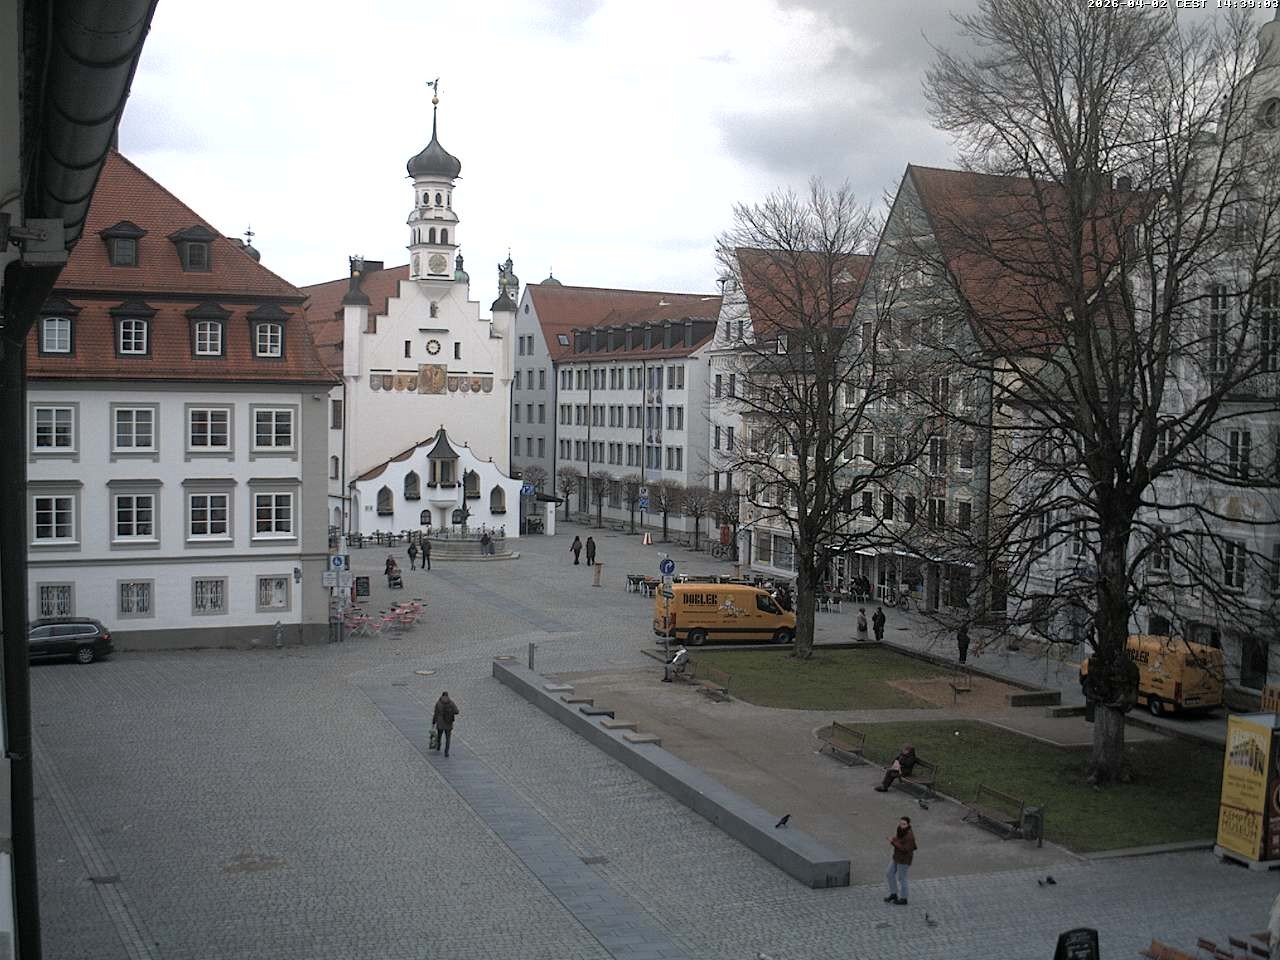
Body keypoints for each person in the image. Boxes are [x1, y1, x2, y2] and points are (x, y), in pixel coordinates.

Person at [884, 816, 917, 906]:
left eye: (904, 824)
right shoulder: (900, 829)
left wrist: (893, 842)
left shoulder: (910, 836)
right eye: (901, 823)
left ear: (908, 824)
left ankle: (904, 898)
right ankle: (894, 894)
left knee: (902, 878)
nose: (902, 825)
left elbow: (905, 849)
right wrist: (894, 839)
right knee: (889, 873)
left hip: (904, 859)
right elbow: (900, 840)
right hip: (897, 856)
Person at [432, 691, 459, 757]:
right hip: (448, 723)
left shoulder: (438, 703)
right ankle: (446, 752)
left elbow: (436, 713)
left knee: (439, 735)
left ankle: (438, 746)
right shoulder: (451, 703)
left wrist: (434, 722)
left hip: (440, 722)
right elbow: (457, 711)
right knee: (448, 738)